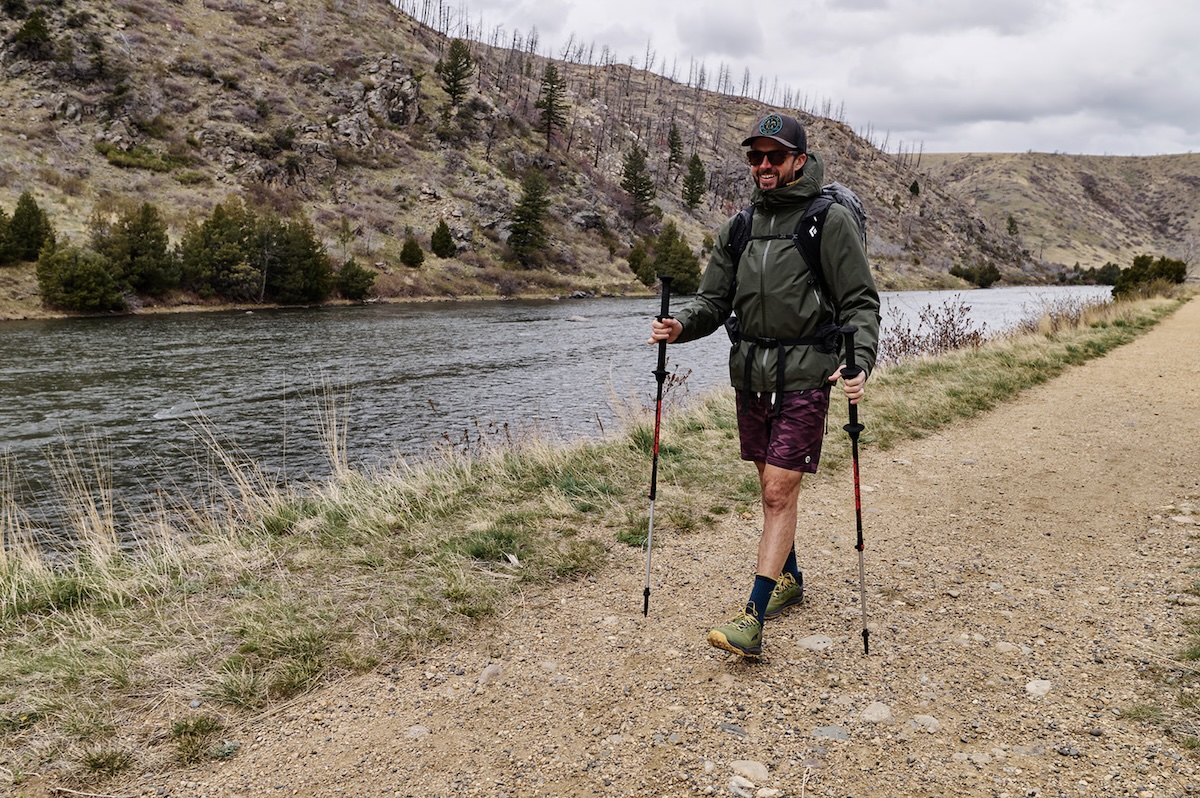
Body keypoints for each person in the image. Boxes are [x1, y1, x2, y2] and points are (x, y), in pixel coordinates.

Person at [647, 111, 880, 660]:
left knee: (778, 491)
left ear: (799, 160)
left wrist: (859, 360)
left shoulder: (828, 221)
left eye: (775, 156)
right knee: (769, 487)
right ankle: (789, 579)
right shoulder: (741, 225)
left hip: (806, 375)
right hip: (751, 376)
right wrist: (680, 325)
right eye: (755, 156)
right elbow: (714, 300)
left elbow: (860, 303)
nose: (764, 165)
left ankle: (752, 618)